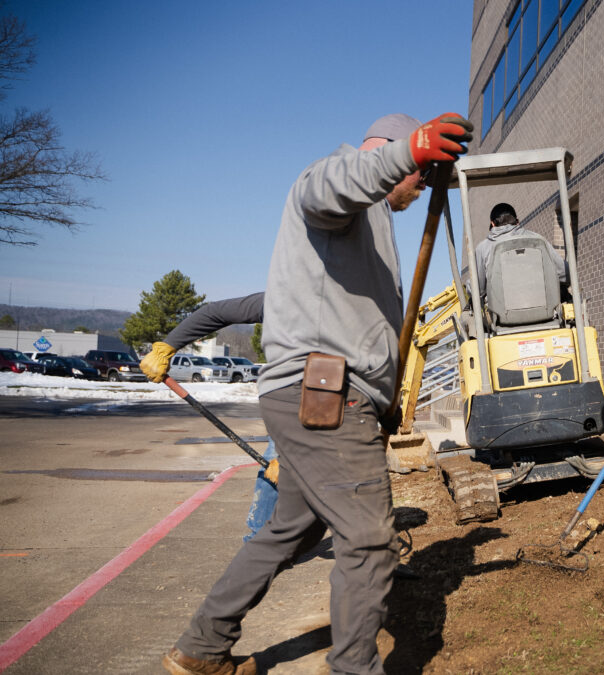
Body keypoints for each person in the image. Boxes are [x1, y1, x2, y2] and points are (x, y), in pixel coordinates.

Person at [162, 111, 472, 675]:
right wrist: (412, 150)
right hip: (327, 396)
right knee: (369, 541)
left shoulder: (369, 226)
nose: (421, 182)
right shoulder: (338, 179)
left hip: (322, 397)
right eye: (417, 172)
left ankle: (202, 647)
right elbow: (324, 190)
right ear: (387, 152)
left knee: (289, 530)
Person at [140, 292, 276, 543]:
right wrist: (166, 347)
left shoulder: (367, 296)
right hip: (297, 403)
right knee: (278, 463)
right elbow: (216, 312)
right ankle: (261, 545)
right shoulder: (290, 294)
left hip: (355, 403)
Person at [469, 202, 569, 303]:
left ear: (493, 224)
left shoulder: (483, 248)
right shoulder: (537, 240)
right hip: (542, 309)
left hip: (501, 315)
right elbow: (565, 273)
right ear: (517, 222)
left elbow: (477, 290)